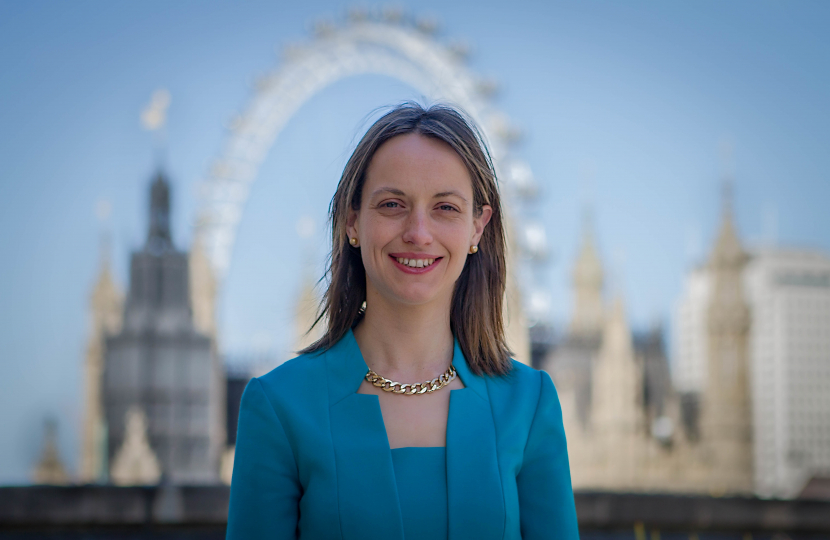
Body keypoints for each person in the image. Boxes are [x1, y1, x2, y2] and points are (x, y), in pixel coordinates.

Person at [226, 103, 579, 540]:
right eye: (393, 204)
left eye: (445, 208)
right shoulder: (279, 406)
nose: (418, 232)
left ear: (477, 228)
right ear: (353, 221)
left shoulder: (527, 405)